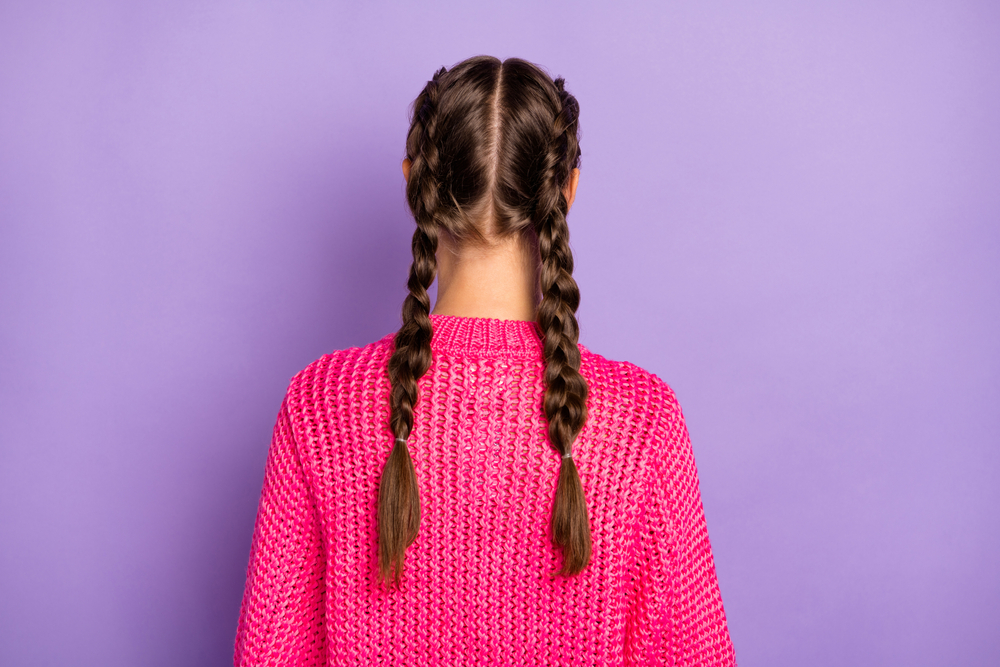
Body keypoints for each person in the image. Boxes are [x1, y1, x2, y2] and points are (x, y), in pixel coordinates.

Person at [234, 55, 735, 666]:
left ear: (412, 181)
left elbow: (268, 655)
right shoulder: (642, 424)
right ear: (568, 193)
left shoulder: (320, 405)